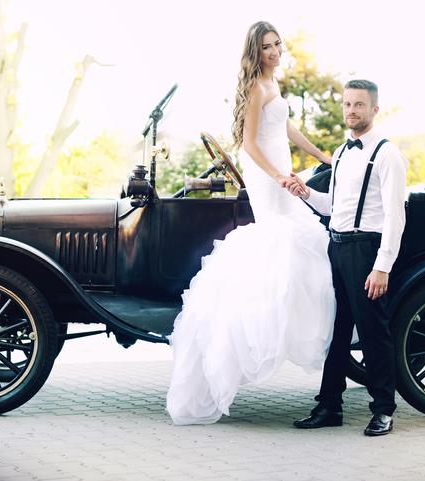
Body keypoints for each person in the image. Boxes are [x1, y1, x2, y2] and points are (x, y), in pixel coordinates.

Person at [166, 21, 336, 425]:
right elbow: (248, 143)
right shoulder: (257, 88)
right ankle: (263, 323)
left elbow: (287, 128)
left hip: (281, 168)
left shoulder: (273, 83)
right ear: (255, 52)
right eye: (266, 47)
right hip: (266, 174)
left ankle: (294, 317)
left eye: (277, 44)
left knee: (298, 238)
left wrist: (322, 155)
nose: (275, 52)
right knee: (280, 238)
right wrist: (278, 176)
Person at [287, 79, 408, 436]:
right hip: (337, 247)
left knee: (373, 332)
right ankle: (329, 406)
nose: (351, 111)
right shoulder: (340, 152)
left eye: (359, 105)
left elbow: (395, 216)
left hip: (365, 250)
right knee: (337, 331)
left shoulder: (387, 154)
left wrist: (382, 266)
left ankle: (384, 410)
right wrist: (305, 193)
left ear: (374, 109)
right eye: (347, 104)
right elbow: (333, 207)